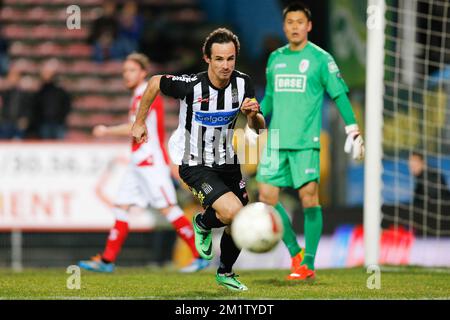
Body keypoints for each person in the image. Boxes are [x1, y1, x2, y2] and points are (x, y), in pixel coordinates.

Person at [131, 28, 265, 291]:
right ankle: (203, 222)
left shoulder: (243, 83)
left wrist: (253, 115)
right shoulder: (191, 85)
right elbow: (155, 81)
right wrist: (139, 122)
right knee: (232, 212)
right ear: (207, 59)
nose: (225, 65)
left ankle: (226, 272)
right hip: (193, 161)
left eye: (230, 59)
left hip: (227, 160)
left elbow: (258, 128)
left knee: (240, 219)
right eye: (219, 59)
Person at [256, 2, 364, 281]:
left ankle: (310, 263)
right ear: (284, 26)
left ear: (309, 26)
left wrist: (353, 128)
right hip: (276, 139)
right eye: (289, 22)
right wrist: (255, 112)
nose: (294, 27)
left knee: (308, 199)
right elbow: (269, 97)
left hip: (306, 140)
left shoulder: (321, 59)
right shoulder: (275, 59)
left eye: (299, 22)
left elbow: (339, 94)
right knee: (266, 197)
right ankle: (295, 253)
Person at [78, 53, 209, 273]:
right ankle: (107, 261)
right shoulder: (137, 96)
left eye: (131, 70)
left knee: (168, 208)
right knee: (121, 206)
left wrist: (106, 130)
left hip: (150, 162)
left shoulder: (145, 95)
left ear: (143, 73)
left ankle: (199, 256)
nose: (126, 75)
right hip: (137, 163)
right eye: (124, 71)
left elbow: (135, 127)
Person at [408, 151, 450, 235]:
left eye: (414, 163)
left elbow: (434, 202)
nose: (411, 166)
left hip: (440, 221)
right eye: (410, 164)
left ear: (422, 162)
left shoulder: (430, 177)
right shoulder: (422, 177)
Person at [31, 59, 71, 139]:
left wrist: (61, 117)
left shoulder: (60, 90)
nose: (46, 75)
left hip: (58, 123)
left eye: (48, 73)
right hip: (44, 123)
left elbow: (66, 104)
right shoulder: (40, 90)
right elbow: (35, 106)